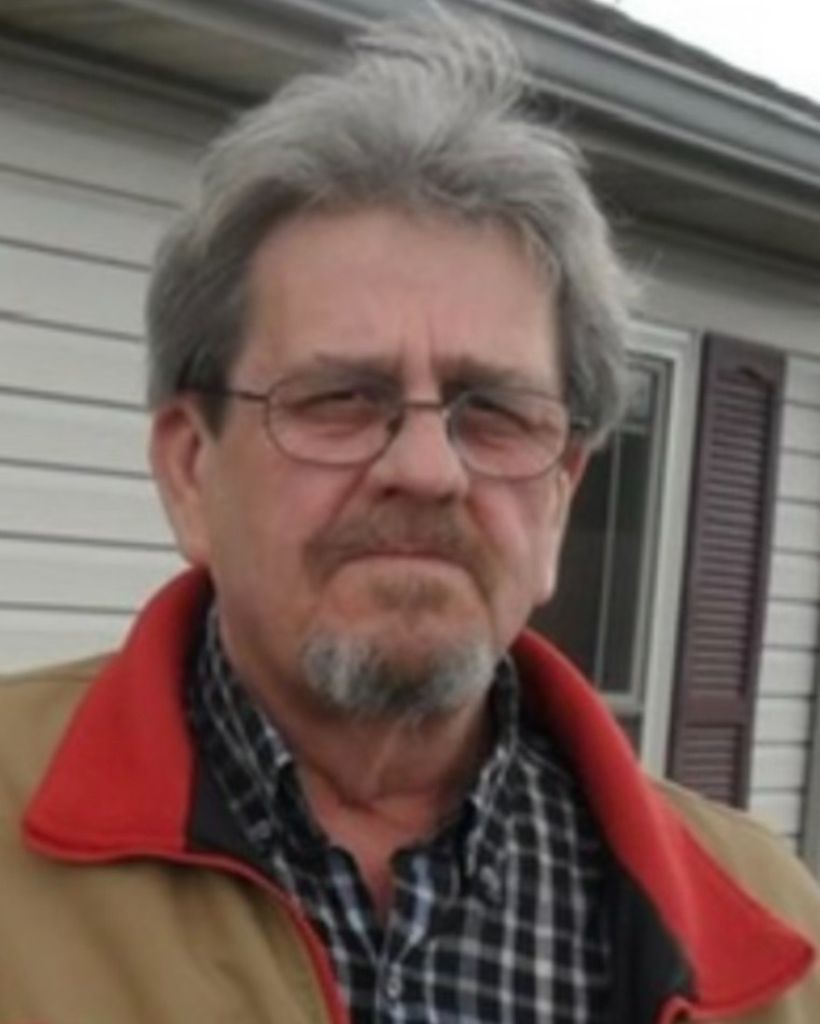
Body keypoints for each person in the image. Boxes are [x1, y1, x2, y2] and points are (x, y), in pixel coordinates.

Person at [1, 14, 819, 1024]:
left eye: (496, 412)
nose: (427, 471)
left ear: (560, 492)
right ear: (190, 470)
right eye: (341, 399)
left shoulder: (777, 937)